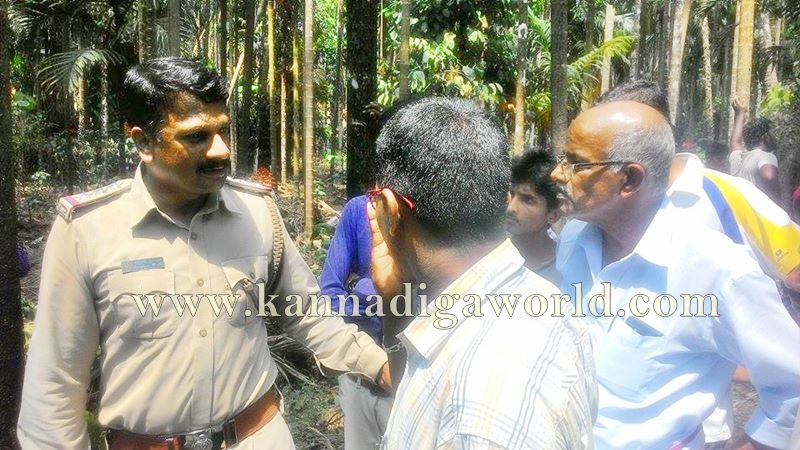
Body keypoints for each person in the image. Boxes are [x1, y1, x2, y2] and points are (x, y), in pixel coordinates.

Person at [18, 58, 389, 450]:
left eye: (224, 130)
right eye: (197, 137)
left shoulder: (258, 213)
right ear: (144, 142)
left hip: (257, 437)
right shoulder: (87, 230)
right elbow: (55, 384)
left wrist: (380, 366)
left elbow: (310, 315)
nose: (221, 150)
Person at [552, 100, 800, 449]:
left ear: (629, 179)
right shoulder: (572, 239)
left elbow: (793, 387)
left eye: (575, 163)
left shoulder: (717, 270)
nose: (557, 174)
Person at [369, 97, 597, 449]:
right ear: (503, 198)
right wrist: (397, 301)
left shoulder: (479, 417)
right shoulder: (546, 301)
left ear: (390, 209)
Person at [318, 195, 393, 450]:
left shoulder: (435, 216)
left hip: (410, 374)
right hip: (361, 370)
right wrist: (367, 307)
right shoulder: (358, 211)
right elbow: (328, 290)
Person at [506, 149, 564, 284]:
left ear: (553, 215)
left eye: (528, 200)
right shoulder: (490, 255)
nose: (511, 208)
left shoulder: (566, 266)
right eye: (512, 194)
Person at [729, 97, 781, 201]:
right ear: (764, 137)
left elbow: (735, 142)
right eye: (772, 133)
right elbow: (769, 176)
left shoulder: (738, 157)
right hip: (759, 212)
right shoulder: (766, 157)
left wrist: (740, 113)